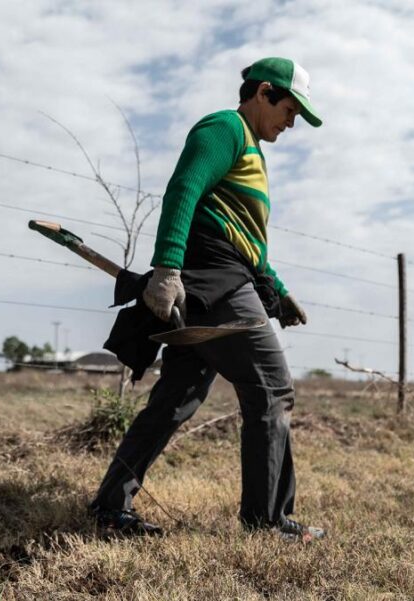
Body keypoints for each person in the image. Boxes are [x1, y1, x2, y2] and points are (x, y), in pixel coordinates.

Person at [88, 57, 324, 541]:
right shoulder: (226, 128)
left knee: (177, 396)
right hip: (212, 281)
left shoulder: (252, 152)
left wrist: (278, 291)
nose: (292, 122)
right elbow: (184, 189)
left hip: (220, 278)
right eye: (290, 109)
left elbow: (245, 241)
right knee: (272, 390)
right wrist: (167, 269)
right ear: (263, 93)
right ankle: (267, 522)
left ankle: (110, 505)